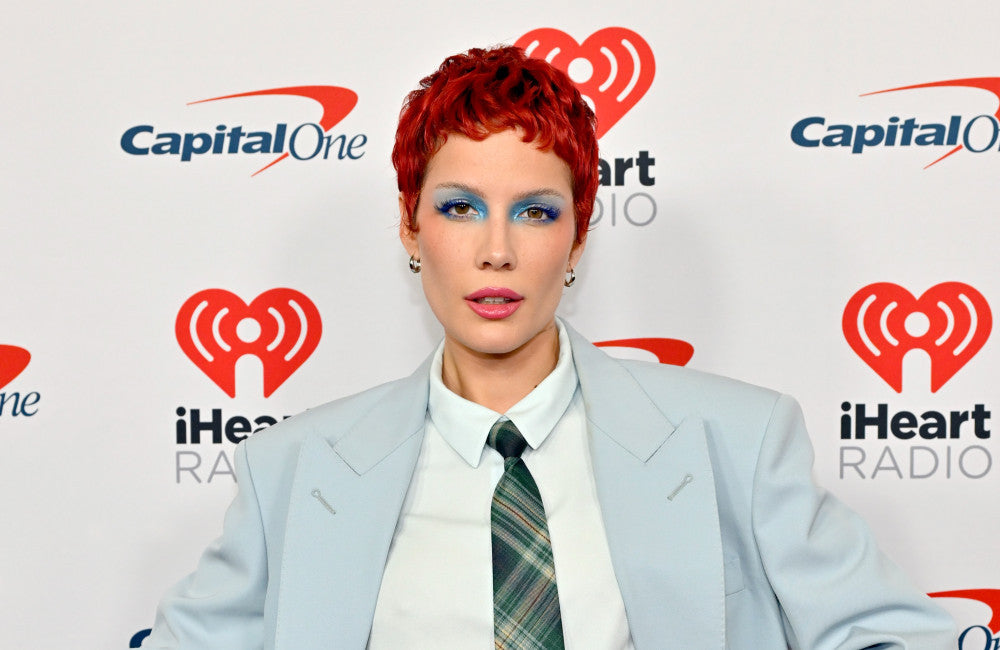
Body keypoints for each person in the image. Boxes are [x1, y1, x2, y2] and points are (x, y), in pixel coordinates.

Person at [142, 46, 956, 649]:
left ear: (577, 240)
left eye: (534, 212)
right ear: (410, 226)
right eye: (460, 207)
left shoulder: (736, 441)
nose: (496, 250)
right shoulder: (294, 468)